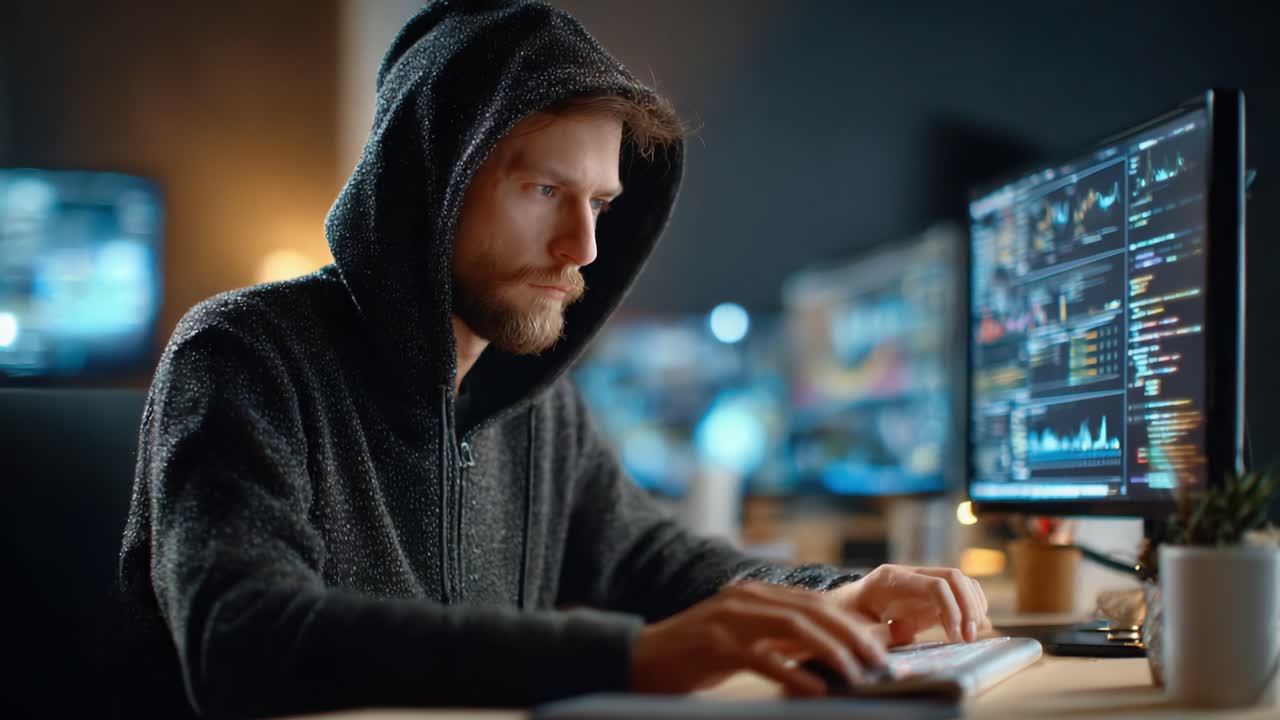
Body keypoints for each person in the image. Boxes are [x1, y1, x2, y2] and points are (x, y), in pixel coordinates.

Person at [118, 1, 991, 717]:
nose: (582, 248)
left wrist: (836, 593)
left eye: (601, 204)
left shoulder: (534, 403)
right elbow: (246, 639)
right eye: (543, 190)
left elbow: (666, 565)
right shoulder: (242, 357)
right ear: (431, 180)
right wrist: (630, 658)